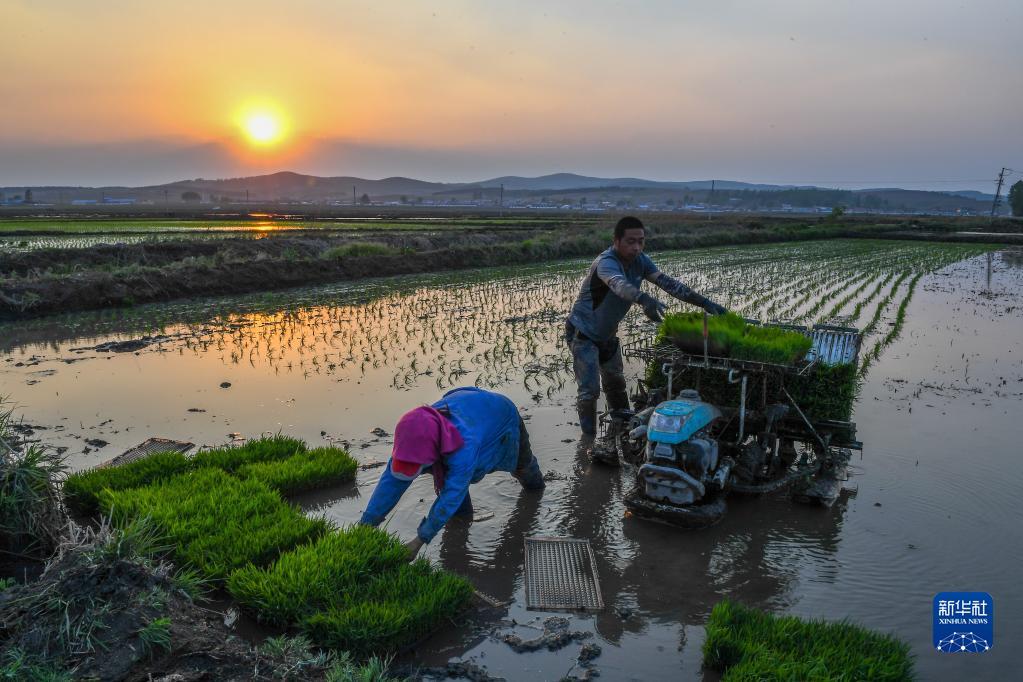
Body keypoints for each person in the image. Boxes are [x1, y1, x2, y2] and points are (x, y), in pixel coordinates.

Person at [565, 215, 727, 439]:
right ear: (617, 241)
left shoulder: (641, 261)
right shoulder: (606, 262)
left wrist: (705, 303)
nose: (637, 247)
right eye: (631, 241)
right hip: (583, 333)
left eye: (641, 241)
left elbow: (668, 283)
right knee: (589, 391)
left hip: (607, 334)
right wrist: (644, 299)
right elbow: (618, 285)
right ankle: (588, 440)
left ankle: (622, 430)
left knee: (615, 382)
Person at [359, 386, 544, 560]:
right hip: (466, 404)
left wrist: (419, 541)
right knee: (447, 480)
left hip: (501, 415)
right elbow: (390, 483)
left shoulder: (464, 447)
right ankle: (462, 519)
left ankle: (537, 494)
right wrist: (365, 526)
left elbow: (453, 493)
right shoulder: (412, 436)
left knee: (524, 468)